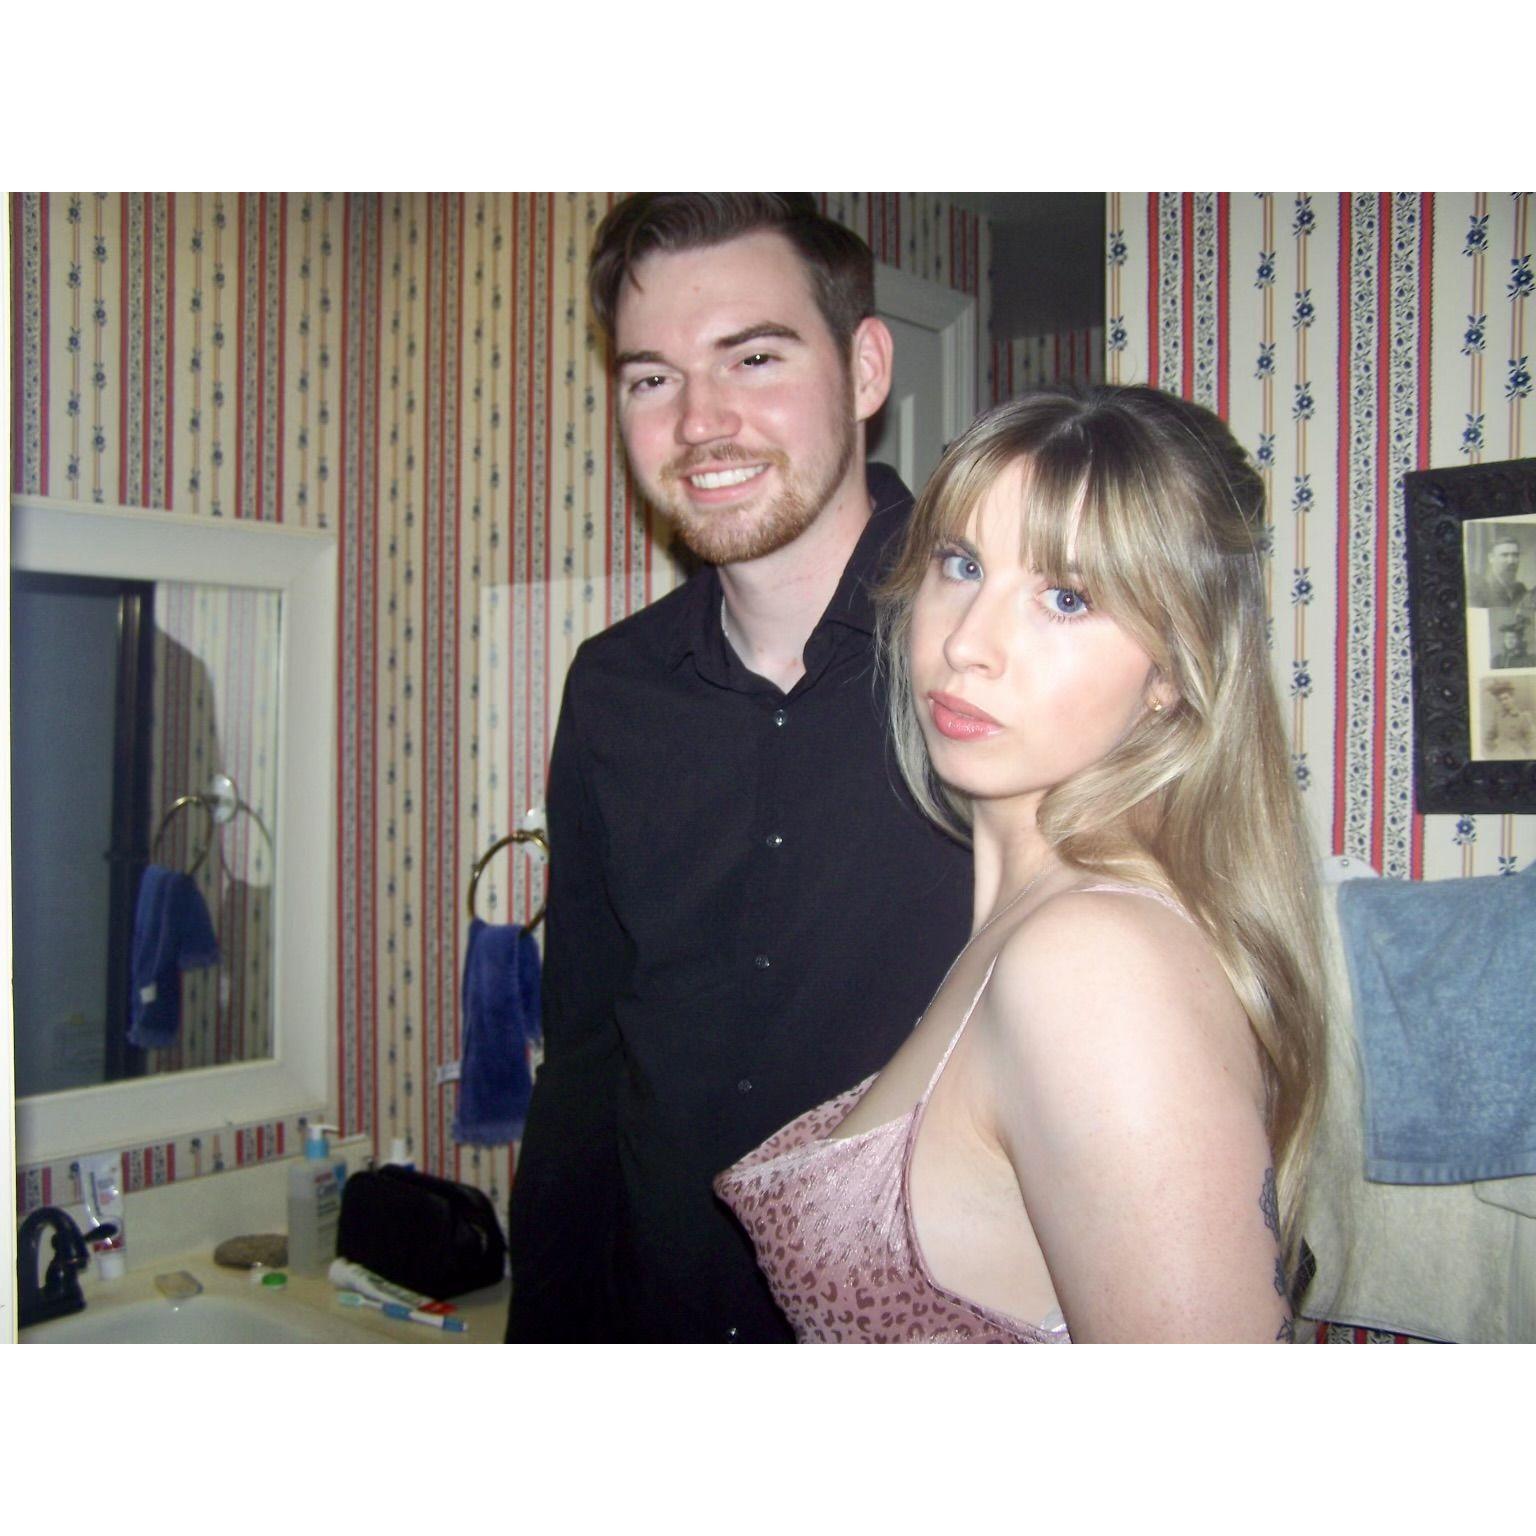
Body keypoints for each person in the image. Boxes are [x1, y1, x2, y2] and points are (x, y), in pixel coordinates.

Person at [716, 385, 1327, 1342]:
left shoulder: (1095, 963)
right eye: (961, 564)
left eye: (1066, 598)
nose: (966, 643)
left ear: (1173, 668)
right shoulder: (1029, 923)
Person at [505, 195, 972, 1342]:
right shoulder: (611, 690)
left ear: (867, 369)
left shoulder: (996, 658)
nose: (699, 422)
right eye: (651, 378)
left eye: (753, 358)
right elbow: (584, 1065)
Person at [1467, 534, 1529, 609]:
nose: (1511, 561)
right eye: (1504, 555)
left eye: (1515, 555)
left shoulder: (1521, 590)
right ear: (1491, 558)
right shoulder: (1479, 591)